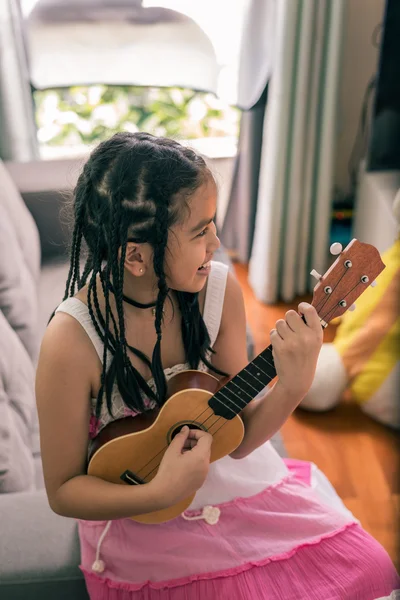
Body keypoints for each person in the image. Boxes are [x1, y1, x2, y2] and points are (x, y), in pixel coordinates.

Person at [36, 132, 399, 599]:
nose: (217, 242)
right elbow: (63, 490)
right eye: (200, 230)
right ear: (135, 255)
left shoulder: (218, 292)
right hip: (139, 518)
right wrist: (160, 493)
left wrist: (292, 385)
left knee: (371, 571)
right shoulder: (71, 341)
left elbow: (240, 439)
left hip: (236, 490)